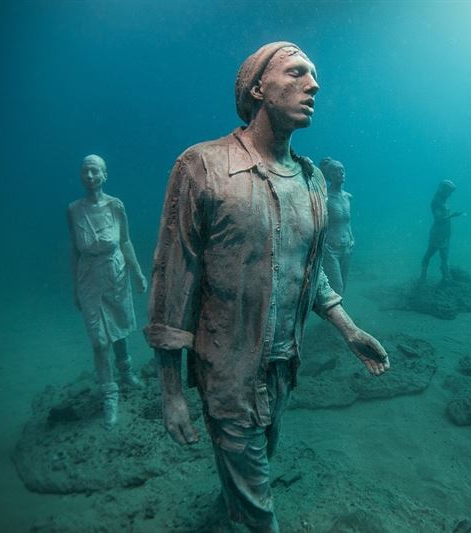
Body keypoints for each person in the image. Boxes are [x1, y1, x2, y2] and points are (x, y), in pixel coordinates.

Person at [144, 42, 390, 533]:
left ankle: (232, 508)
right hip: (227, 373)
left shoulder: (312, 179)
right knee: (260, 513)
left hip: (282, 368)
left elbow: (309, 270)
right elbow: (174, 283)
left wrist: (348, 328)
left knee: (254, 471)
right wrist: (171, 391)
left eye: (315, 75)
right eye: (297, 72)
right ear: (258, 87)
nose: (314, 84)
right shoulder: (203, 166)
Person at [67, 154, 147, 430]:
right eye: (85, 171)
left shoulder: (116, 206)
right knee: (100, 341)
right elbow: (75, 252)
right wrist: (76, 288)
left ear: (104, 175)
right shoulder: (74, 210)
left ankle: (126, 372)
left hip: (115, 273)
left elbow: (125, 241)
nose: (89, 176)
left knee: (120, 327)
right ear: (81, 175)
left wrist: (137, 272)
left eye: (94, 171)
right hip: (89, 278)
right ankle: (109, 395)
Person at [319, 157, 354, 296]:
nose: (340, 173)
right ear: (329, 175)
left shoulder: (348, 197)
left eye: (342, 169)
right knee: (337, 287)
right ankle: (332, 316)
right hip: (331, 250)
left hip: (347, 248)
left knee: (343, 287)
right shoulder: (323, 197)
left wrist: (352, 240)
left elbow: (347, 222)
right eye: (335, 171)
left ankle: (328, 317)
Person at [420, 179, 464, 283]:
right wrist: (453, 215)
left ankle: (446, 279)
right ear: (442, 190)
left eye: (450, 192)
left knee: (444, 257)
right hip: (438, 233)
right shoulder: (436, 202)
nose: (449, 194)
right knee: (429, 255)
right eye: (448, 192)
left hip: (444, 234)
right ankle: (423, 276)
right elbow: (438, 220)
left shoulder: (442, 201)